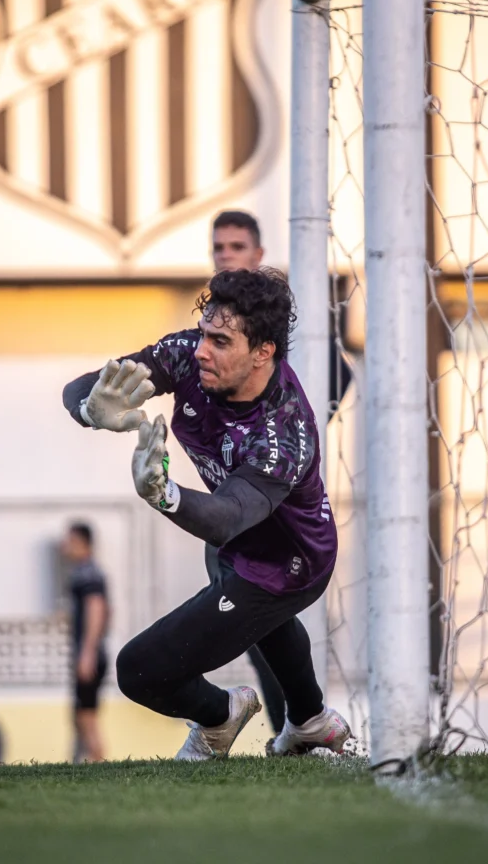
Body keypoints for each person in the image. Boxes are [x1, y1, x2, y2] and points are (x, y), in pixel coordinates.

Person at [62, 268, 351, 760]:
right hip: (234, 542)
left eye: (220, 340)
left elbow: (227, 517)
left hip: (288, 563)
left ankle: (221, 715)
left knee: (139, 671)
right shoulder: (189, 357)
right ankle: (309, 719)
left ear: (263, 352)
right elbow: (82, 387)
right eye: (203, 333)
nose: (201, 350)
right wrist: (92, 409)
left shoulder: (283, 429)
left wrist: (163, 493)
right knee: (256, 615)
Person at [209, 210, 286, 735]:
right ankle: (294, 724)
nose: (227, 254)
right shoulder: (214, 323)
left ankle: (290, 721)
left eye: (237, 245)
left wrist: (283, 449)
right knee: (251, 621)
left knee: (261, 612)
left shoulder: (277, 318)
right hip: (227, 498)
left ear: (258, 255)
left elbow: (336, 373)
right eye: (218, 247)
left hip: (272, 496)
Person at [62, 521, 109, 763]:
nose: (65, 546)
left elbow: (97, 608)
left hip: (90, 654)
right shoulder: (85, 571)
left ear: (82, 543)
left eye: (69, 541)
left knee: (87, 715)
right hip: (89, 652)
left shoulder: (88, 572)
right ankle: (86, 760)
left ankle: (97, 759)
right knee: (80, 713)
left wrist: (88, 651)